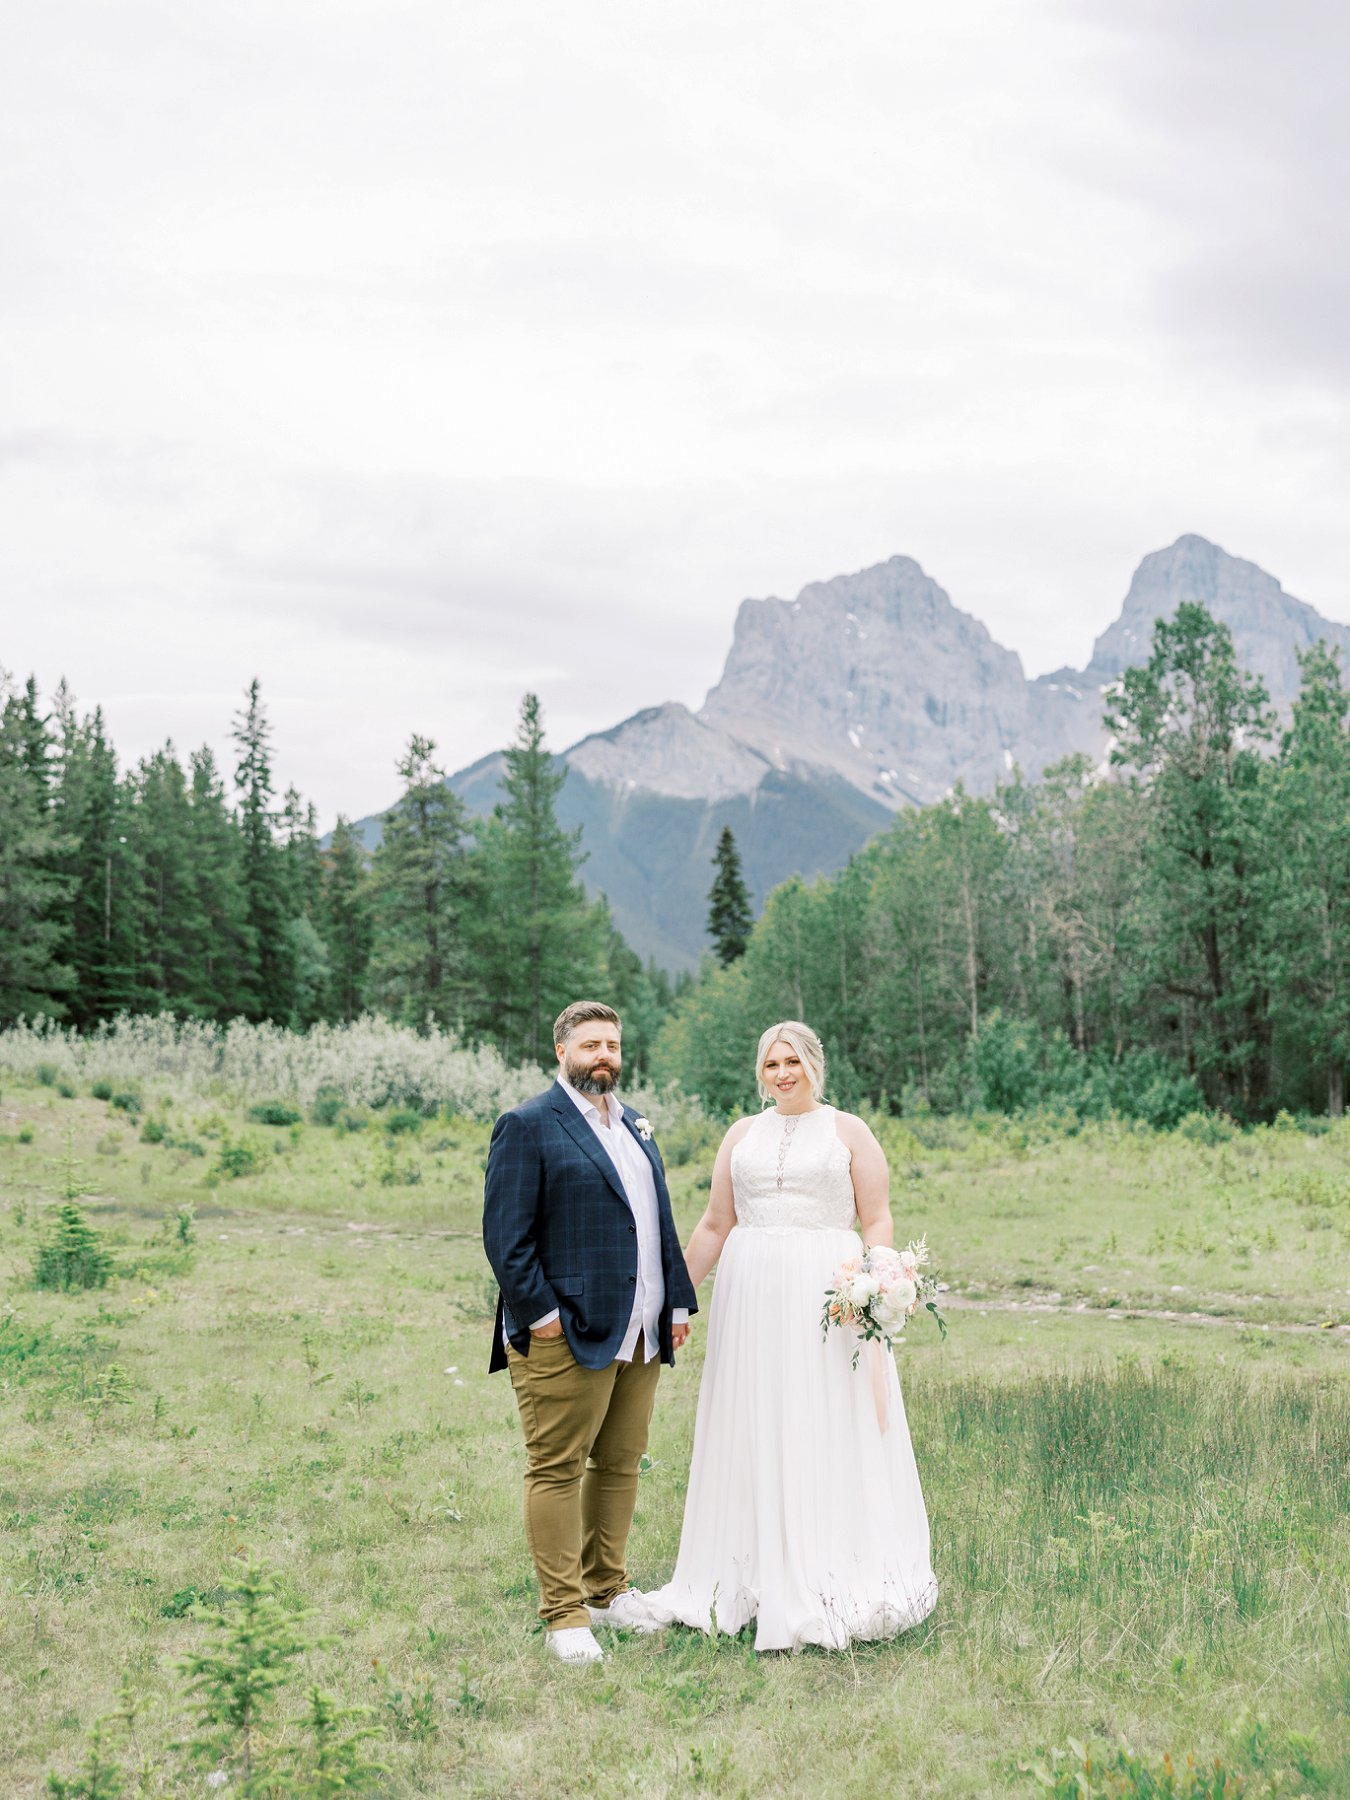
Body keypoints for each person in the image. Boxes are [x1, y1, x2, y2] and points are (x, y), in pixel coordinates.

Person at [631, 1020, 937, 1651]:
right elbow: (716, 1225)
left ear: (814, 1065)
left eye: (791, 1061)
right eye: (770, 1064)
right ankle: (743, 1571)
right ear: (760, 1073)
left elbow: (875, 1216)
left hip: (825, 1297)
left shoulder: (849, 1131)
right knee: (753, 1418)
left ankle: (829, 1565)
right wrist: (674, 1300)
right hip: (750, 1301)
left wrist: (876, 1288)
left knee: (819, 1417)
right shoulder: (741, 1135)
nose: (782, 1074)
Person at [483, 1000, 698, 1664]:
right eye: (590, 1046)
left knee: (620, 1463)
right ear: (562, 1052)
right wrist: (542, 1317)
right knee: (556, 1467)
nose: (603, 1056)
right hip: (565, 1332)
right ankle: (565, 1613)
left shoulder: (634, 1124)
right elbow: (505, 1238)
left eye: (612, 1045)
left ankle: (607, 1591)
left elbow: (655, 1220)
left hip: (640, 1329)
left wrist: (678, 1305)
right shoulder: (527, 1125)